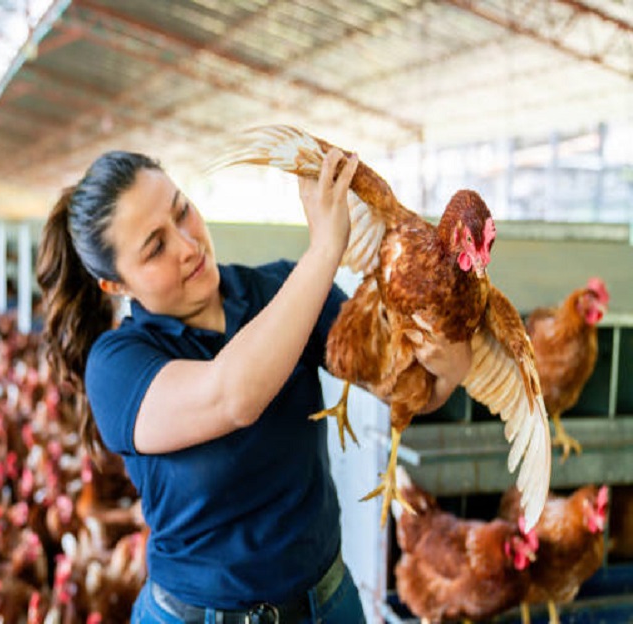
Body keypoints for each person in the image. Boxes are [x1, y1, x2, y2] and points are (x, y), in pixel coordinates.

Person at [36, 146, 471, 623]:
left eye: (182, 211)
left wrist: (445, 368)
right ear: (116, 285)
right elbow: (232, 397)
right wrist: (325, 251)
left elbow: (408, 391)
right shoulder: (117, 365)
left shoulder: (283, 290)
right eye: (155, 247)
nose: (187, 245)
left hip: (326, 606)